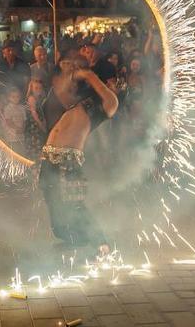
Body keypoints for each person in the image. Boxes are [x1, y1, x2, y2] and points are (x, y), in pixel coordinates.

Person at [39, 50, 118, 251]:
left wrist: (89, 75)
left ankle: (101, 244)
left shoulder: (99, 106)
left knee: (74, 204)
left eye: (75, 66)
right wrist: (72, 70)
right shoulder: (73, 103)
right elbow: (60, 87)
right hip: (49, 160)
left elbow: (112, 102)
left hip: (68, 163)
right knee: (55, 207)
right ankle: (75, 240)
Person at [25, 79, 48, 159]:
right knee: (35, 145)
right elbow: (34, 113)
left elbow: (41, 112)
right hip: (33, 126)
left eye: (40, 88)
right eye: (36, 88)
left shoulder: (39, 99)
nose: (38, 90)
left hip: (37, 125)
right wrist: (41, 124)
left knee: (39, 145)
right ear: (32, 89)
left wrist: (43, 122)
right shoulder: (31, 98)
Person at [1, 87, 27, 153]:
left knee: (21, 151)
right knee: (13, 151)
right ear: (9, 98)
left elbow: (24, 120)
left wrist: (23, 129)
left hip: (21, 135)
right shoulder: (8, 108)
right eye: (13, 97)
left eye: (17, 96)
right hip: (12, 136)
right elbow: (8, 121)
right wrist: (17, 129)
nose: (15, 98)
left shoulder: (22, 107)